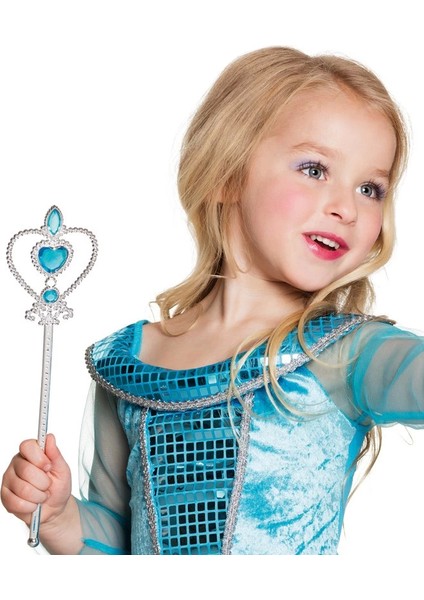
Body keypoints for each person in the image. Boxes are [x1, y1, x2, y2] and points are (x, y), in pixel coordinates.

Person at [1, 46, 423, 555]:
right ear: (227, 175)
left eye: (371, 189)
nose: (347, 209)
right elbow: (120, 540)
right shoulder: (131, 363)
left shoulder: (348, 354)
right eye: (315, 170)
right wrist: (62, 518)